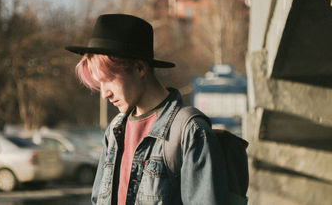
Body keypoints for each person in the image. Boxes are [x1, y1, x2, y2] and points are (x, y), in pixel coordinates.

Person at [65, 14, 228, 205]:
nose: (104, 94)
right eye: (99, 84)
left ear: (139, 68)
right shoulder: (115, 130)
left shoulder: (189, 131)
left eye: (108, 80)